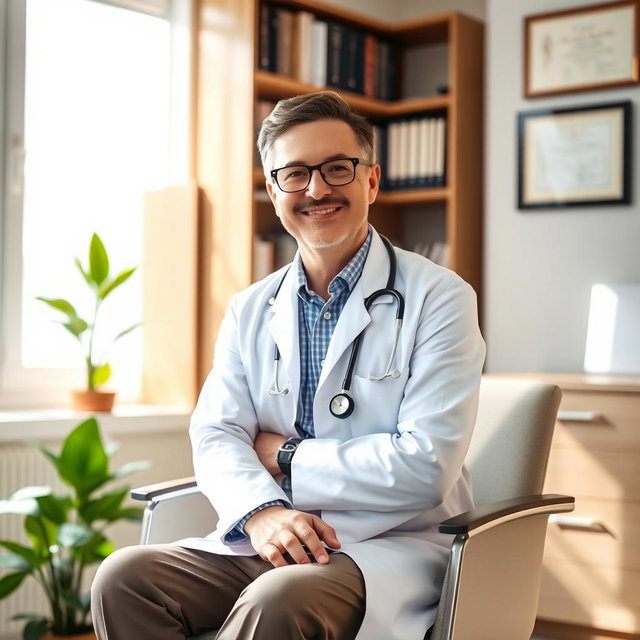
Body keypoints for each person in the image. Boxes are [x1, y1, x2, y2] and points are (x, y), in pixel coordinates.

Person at [91, 91, 485, 640]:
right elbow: (217, 434)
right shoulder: (251, 307)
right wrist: (261, 513)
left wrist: (288, 454)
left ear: (370, 181)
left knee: (279, 598)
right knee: (123, 577)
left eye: (337, 169)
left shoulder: (439, 298)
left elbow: (425, 467)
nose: (317, 188)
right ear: (274, 192)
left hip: (389, 544)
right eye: (295, 173)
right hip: (275, 532)